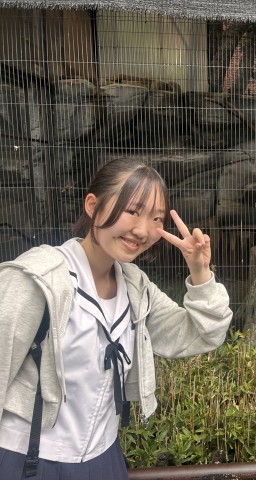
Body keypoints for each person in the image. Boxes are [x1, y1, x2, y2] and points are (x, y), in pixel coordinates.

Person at [0, 159, 233, 479]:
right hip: (29, 461)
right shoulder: (37, 280)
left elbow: (201, 333)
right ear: (92, 206)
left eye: (156, 218)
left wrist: (200, 272)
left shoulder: (135, 287)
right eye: (132, 211)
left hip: (104, 460)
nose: (142, 230)